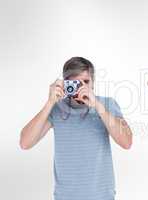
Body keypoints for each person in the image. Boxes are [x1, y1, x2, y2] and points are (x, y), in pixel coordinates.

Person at [20, 57, 133, 200]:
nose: (81, 88)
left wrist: (98, 106)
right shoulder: (56, 108)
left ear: (93, 83)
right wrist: (49, 103)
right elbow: (25, 143)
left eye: (85, 82)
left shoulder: (107, 104)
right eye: (75, 83)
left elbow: (126, 142)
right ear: (65, 84)